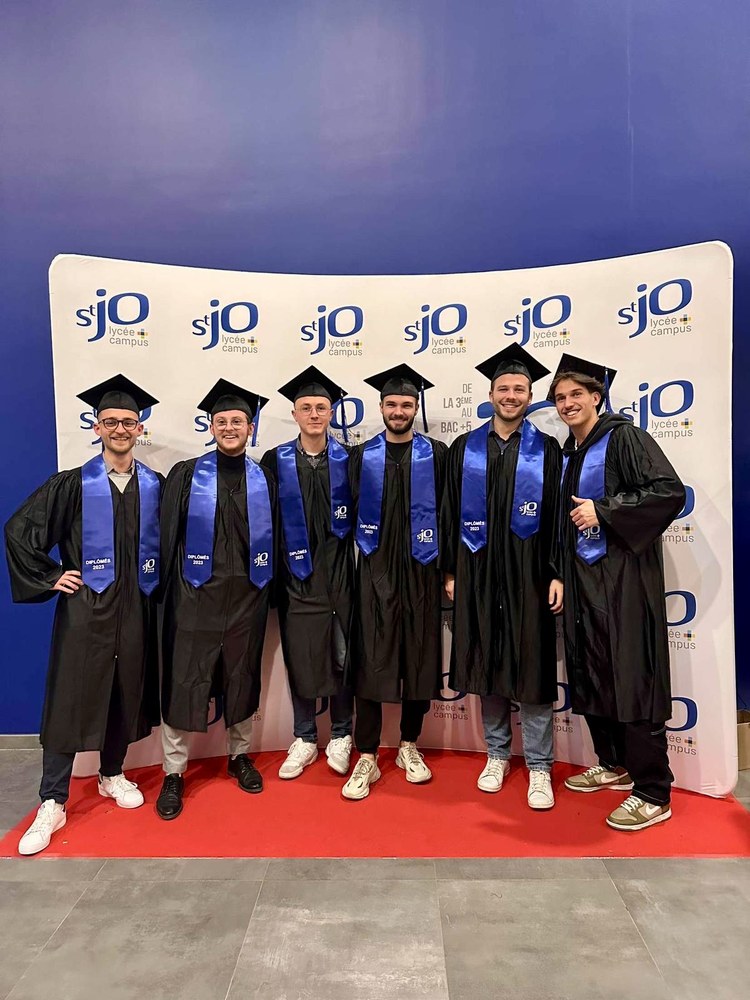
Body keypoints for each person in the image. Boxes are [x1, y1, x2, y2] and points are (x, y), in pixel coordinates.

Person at [5, 374, 162, 855]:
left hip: (136, 607)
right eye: (110, 421)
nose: (120, 429)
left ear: (140, 429)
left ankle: (111, 774)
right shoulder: (72, 484)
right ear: (96, 427)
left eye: (128, 422)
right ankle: (53, 800)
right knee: (71, 698)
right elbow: (19, 530)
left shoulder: (155, 486)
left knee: (124, 690)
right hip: (87, 610)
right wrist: (53, 575)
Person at [550, 354, 685, 831]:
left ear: (597, 397)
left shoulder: (625, 437)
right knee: (592, 672)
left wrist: (605, 510)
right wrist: (558, 573)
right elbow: (564, 523)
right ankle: (613, 763)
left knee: (631, 677)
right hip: (583, 582)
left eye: (576, 395)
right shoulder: (571, 453)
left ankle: (653, 791)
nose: (567, 403)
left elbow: (668, 492)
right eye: (560, 397)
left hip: (624, 581)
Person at [441, 344, 563, 809]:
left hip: (529, 573)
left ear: (530, 396)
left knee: (531, 663)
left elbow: (556, 516)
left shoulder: (546, 449)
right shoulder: (465, 448)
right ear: (490, 394)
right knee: (486, 658)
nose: (511, 396)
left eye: (519, 389)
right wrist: (451, 570)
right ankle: (496, 754)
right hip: (477, 569)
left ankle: (539, 765)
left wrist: (556, 573)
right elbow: (448, 510)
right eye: (503, 388)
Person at [156, 379, 275, 820]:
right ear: (210, 426)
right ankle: (174, 772)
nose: (229, 427)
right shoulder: (187, 474)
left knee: (242, 676)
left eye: (237, 421)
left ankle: (238, 756)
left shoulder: (263, 478)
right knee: (184, 680)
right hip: (194, 597)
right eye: (221, 421)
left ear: (250, 427)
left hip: (247, 596)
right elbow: (166, 537)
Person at [343, 364, 447, 800]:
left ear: (416, 407)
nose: (399, 411)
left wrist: (449, 572)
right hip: (374, 570)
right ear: (381, 407)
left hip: (422, 570)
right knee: (370, 656)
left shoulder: (437, 454)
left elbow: (450, 514)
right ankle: (366, 753)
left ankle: (408, 745)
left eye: (406, 404)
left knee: (419, 655)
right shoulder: (360, 457)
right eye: (392, 404)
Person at [261, 366, 355, 780]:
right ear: (295, 414)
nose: (314, 414)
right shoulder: (275, 461)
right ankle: (304, 737)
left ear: (331, 413)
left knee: (344, 656)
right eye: (306, 408)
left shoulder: (350, 460)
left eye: (321, 407)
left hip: (342, 576)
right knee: (301, 655)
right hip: (296, 576)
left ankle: (342, 733)